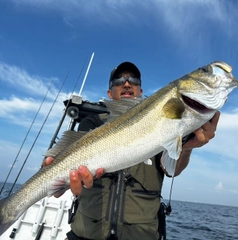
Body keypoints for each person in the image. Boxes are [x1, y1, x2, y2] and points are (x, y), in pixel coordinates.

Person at [44, 62, 220, 240]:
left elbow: (170, 168)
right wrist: (58, 175)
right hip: (86, 234)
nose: (127, 84)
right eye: (119, 80)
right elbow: (70, 153)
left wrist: (187, 148)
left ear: (141, 92)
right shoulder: (93, 122)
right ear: (109, 93)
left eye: (134, 80)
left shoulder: (162, 124)